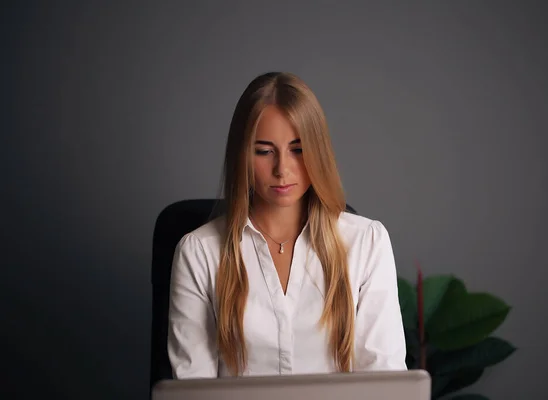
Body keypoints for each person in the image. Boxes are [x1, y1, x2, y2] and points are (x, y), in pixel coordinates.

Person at [167, 72, 406, 378]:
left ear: (317, 151)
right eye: (264, 152)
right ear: (242, 156)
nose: (282, 169)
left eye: (298, 149)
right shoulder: (199, 253)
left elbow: (384, 382)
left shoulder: (367, 243)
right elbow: (193, 391)